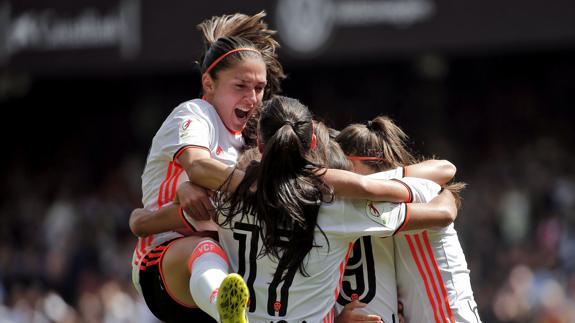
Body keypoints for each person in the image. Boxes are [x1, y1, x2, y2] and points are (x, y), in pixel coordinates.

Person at [181, 96, 459, 322]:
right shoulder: (338, 206)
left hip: (250, 315)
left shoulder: (228, 190)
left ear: (260, 144)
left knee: (202, 250)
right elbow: (440, 210)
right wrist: (446, 197)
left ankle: (218, 298)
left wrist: (181, 192)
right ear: (313, 142)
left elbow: (182, 193)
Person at [131, 11, 285, 323]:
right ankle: (224, 305)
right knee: (204, 249)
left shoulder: (252, 135)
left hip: (230, 264)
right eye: (241, 86)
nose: (253, 98)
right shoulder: (196, 114)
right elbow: (199, 167)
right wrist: (264, 188)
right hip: (165, 262)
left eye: (259, 88)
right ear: (208, 84)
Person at [336, 116, 481, 323]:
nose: (339, 172)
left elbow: (447, 173)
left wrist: (352, 182)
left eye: (341, 165)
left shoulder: (418, 190)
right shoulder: (371, 203)